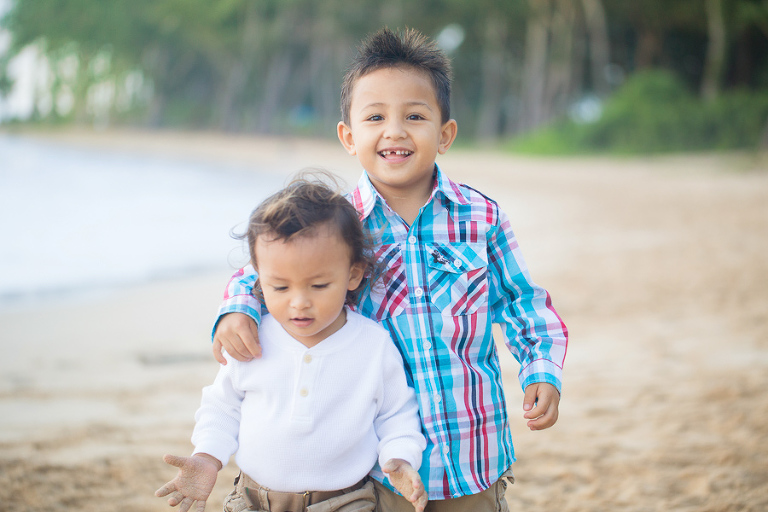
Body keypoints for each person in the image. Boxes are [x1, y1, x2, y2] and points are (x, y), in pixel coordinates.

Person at [212, 28, 568, 511]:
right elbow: (269, 269)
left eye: (415, 116)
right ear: (349, 136)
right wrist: (238, 310)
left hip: (473, 453)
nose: (395, 131)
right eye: (375, 117)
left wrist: (540, 369)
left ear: (444, 134)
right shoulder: (332, 225)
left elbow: (524, 303)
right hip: (372, 462)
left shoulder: (480, 217)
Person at [156, 175, 428, 512]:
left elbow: (396, 413)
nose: (299, 302)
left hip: (345, 501)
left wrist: (399, 458)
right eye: (281, 288)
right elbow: (223, 407)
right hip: (254, 498)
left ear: (353, 275)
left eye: (318, 285)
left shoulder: (372, 344)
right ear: (258, 277)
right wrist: (207, 458)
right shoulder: (252, 339)